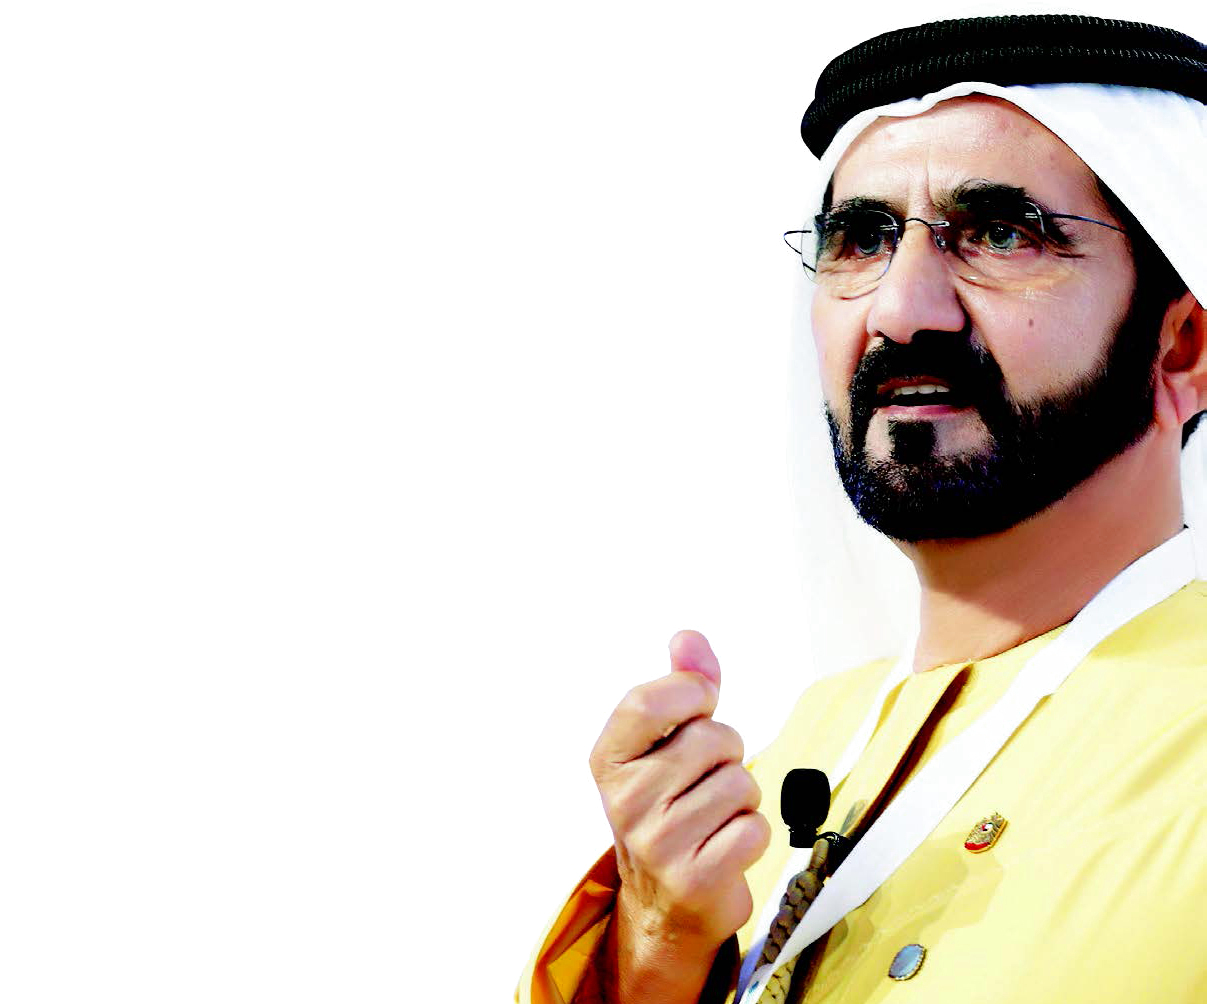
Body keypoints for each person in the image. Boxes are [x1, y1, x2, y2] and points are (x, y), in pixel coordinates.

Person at [518, 14, 1207, 1004]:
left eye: (1000, 234)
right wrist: (656, 948)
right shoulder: (776, 768)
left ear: (1181, 347)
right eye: (860, 239)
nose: (899, 309)